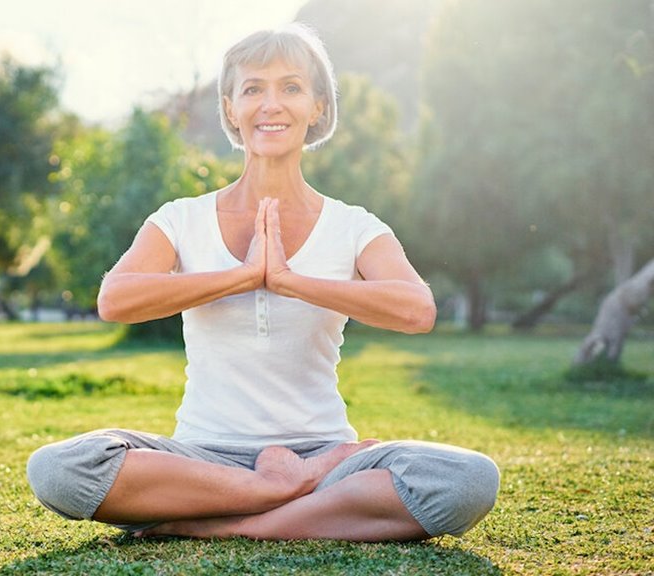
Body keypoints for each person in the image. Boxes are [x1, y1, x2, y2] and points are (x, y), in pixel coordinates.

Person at [26, 24, 499, 541]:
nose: (271, 104)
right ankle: (281, 496)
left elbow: (416, 309)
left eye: (291, 88)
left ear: (317, 106)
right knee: (59, 469)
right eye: (253, 89)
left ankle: (218, 526)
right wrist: (242, 276)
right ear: (230, 108)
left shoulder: (355, 225)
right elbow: (115, 299)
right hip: (202, 457)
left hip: (324, 451)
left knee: (468, 480)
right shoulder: (180, 219)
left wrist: (292, 282)